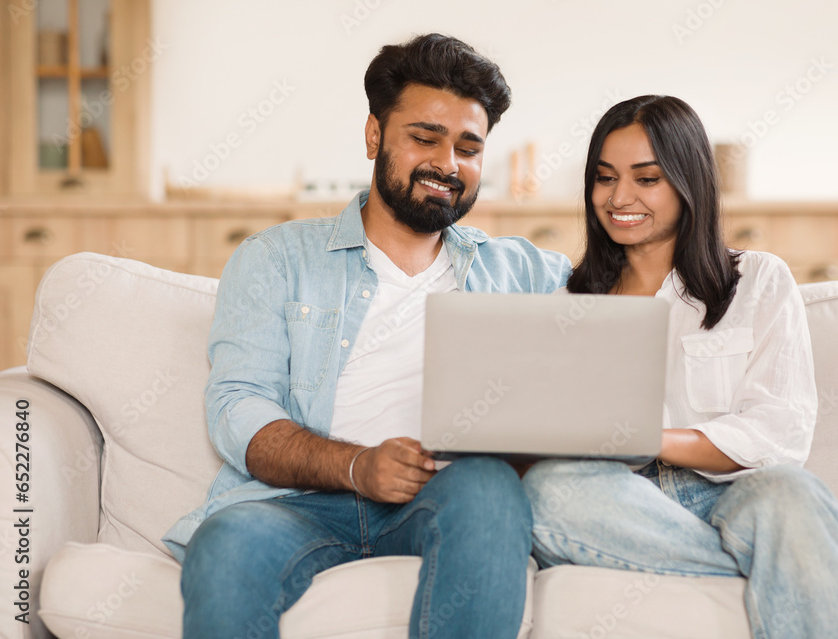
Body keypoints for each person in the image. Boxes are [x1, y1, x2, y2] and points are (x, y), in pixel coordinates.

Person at [163, 33, 571, 639]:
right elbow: (237, 408)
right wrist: (357, 467)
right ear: (375, 135)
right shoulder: (276, 259)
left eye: (468, 147)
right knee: (226, 542)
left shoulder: (527, 272)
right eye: (425, 138)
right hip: (295, 506)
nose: (448, 165)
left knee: (488, 488)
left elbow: (637, 312)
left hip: (444, 501)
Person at [521, 95, 838, 639]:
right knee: (547, 492)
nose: (620, 198)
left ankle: (800, 549)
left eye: (647, 179)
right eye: (605, 178)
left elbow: (780, 431)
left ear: (689, 183)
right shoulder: (567, 298)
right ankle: (834, 562)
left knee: (789, 493)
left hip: (736, 492)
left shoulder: (757, 281)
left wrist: (654, 439)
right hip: (629, 504)